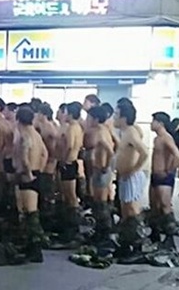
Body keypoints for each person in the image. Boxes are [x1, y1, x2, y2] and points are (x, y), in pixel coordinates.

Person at [113, 101, 150, 262]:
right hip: (124, 176)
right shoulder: (125, 132)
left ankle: (136, 246)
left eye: (116, 114)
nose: (114, 117)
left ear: (124, 117)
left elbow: (144, 152)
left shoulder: (131, 132)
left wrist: (133, 170)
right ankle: (126, 243)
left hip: (131, 176)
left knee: (131, 211)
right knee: (126, 211)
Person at [14, 106, 49, 262]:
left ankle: (35, 249)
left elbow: (24, 156)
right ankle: (29, 244)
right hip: (36, 173)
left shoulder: (25, 135)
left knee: (30, 212)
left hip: (28, 175)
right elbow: (45, 153)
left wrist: (28, 172)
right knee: (28, 211)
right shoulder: (36, 134)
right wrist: (39, 169)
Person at [148, 112, 179, 249]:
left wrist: (168, 170)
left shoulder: (167, 138)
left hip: (164, 177)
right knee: (154, 206)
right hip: (155, 176)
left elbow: (177, 155)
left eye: (153, 121)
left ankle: (169, 238)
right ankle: (155, 234)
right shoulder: (157, 138)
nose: (151, 124)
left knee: (165, 205)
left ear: (160, 123)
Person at [55, 102, 84, 245]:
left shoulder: (72, 128)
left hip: (69, 163)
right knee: (68, 196)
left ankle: (73, 228)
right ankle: (70, 226)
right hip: (71, 163)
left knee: (70, 196)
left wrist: (64, 160)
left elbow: (70, 145)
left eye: (65, 112)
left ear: (71, 114)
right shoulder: (77, 127)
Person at [86, 106, 116, 246]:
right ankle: (99, 231)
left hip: (102, 170)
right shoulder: (101, 130)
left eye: (89, 117)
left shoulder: (102, 132)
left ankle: (105, 234)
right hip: (99, 169)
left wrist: (106, 166)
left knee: (101, 203)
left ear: (96, 119)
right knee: (98, 203)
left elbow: (110, 151)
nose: (88, 120)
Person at [36, 102, 60, 232]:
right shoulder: (43, 127)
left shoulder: (50, 128)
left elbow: (54, 146)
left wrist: (52, 159)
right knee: (43, 192)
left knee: (47, 192)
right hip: (44, 163)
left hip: (49, 164)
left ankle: (48, 221)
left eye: (39, 113)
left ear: (42, 114)